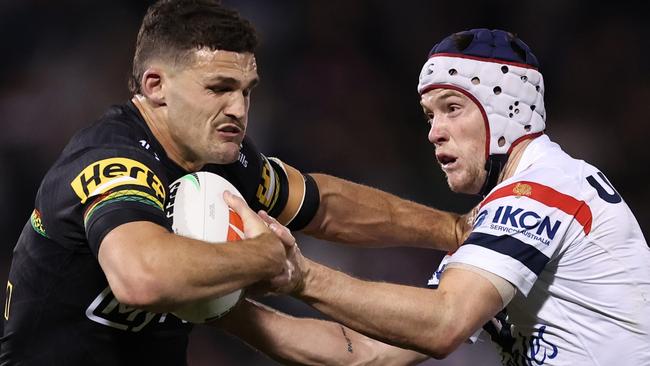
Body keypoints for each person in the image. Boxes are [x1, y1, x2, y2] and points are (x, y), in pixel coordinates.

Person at [0, 1, 465, 365]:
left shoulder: (217, 163)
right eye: (219, 88)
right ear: (156, 85)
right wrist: (265, 256)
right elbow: (141, 278)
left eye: (248, 91)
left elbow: (323, 206)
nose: (240, 110)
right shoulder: (111, 160)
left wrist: (460, 234)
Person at [253, 28, 650, 365]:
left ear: (506, 112)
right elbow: (366, 353)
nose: (434, 132)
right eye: (430, 115)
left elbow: (444, 324)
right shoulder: (509, 213)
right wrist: (228, 312)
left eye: (453, 108)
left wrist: (303, 277)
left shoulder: (542, 190)